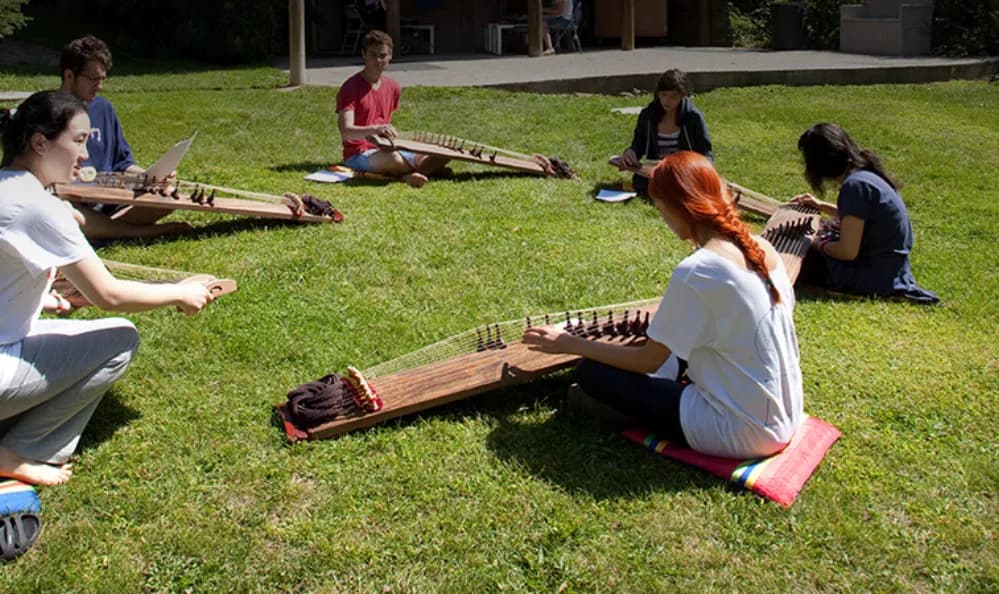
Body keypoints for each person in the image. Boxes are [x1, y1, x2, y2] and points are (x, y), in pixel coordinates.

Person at [524, 151, 803, 459]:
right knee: (672, 353)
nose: (663, 219)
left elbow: (648, 361)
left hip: (739, 429)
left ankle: (614, 408)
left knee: (592, 373)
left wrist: (570, 343)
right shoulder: (763, 247)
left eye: (660, 209)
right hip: (783, 415)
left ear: (680, 208)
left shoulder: (699, 270)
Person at [0, 91, 213, 486]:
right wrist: (179, 292)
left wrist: (40, 297)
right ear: (39, 142)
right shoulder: (36, 205)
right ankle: (23, 451)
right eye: (78, 141)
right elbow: (109, 294)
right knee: (119, 339)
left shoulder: (7, 187)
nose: (84, 155)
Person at [58, 35, 189, 241]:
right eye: (93, 79)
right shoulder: (48, 113)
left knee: (168, 194)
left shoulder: (104, 108)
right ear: (69, 75)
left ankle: (105, 228)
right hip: (73, 201)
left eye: (103, 79)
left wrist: (150, 177)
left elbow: (123, 163)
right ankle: (137, 231)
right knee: (65, 212)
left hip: (112, 199)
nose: (99, 86)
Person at [791, 123, 938, 303]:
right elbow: (860, 218)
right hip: (890, 272)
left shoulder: (855, 186)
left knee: (797, 257)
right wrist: (820, 205)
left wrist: (814, 242)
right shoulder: (865, 175)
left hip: (873, 277)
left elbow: (847, 252)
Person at [336, 30, 448, 188]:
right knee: (394, 159)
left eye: (382, 55)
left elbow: (384, 125)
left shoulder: (393, 87)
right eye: (372, 55)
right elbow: (346, 132)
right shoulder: (350, 87)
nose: (378, 60)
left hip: (387, 145)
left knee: (445, 151)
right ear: (364, 54)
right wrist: (376, 129)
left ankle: (420, 170)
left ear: (390, 56)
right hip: (359, 153)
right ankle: (418, 172)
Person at [616, 69, 713, 195]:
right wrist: (631, 153)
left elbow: (706, 153)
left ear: (682, 96)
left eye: (673, 96)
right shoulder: (648, 115)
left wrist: (704, 171)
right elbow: (638, 145)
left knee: (688, 185)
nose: (667, 101)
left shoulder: (693, 116)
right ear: (658, 94)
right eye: (663, 95)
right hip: (656, 170)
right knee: (642, 181)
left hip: (685, 170)